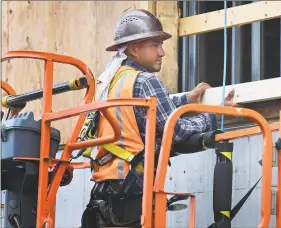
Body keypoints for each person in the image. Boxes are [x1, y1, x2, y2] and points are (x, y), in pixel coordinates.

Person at [80, 9, 236, 228]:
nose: (162, 52)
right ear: (134, 48)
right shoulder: (144, 81)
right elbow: (176, 130)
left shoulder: (111, 81)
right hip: (132, 193)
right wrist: (213, 114)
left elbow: (148, 109)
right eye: (155, 45)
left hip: (106, 194)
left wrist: (188, 99)